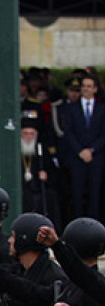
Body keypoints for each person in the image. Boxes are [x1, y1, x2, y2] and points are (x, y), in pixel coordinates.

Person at [60, 75, 105, 220]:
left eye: (89, 86)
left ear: (95, 89)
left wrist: (91, 150)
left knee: (95, 196)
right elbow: (68, 132)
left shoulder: (102, 109)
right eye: (84, 86)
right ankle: (77, 228)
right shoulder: (70, 108)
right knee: (76, 195)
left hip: (96, 158)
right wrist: (80, 151)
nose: (86, 89)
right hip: (76, 158)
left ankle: (94, 228)